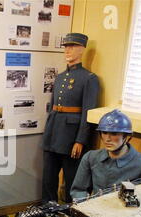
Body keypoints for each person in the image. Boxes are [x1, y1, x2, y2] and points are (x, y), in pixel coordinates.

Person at [42, 33, 100, 204]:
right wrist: (48, 132)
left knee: (72, 181)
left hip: (71, 138)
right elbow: (53, 107)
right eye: (66, 46)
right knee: (48, 180)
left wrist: (80, 140)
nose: (67, 50)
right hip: (53, 135)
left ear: (82, 49)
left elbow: (88, 112)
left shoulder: (89, 78)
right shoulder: (60, 77)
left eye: (72, 46)